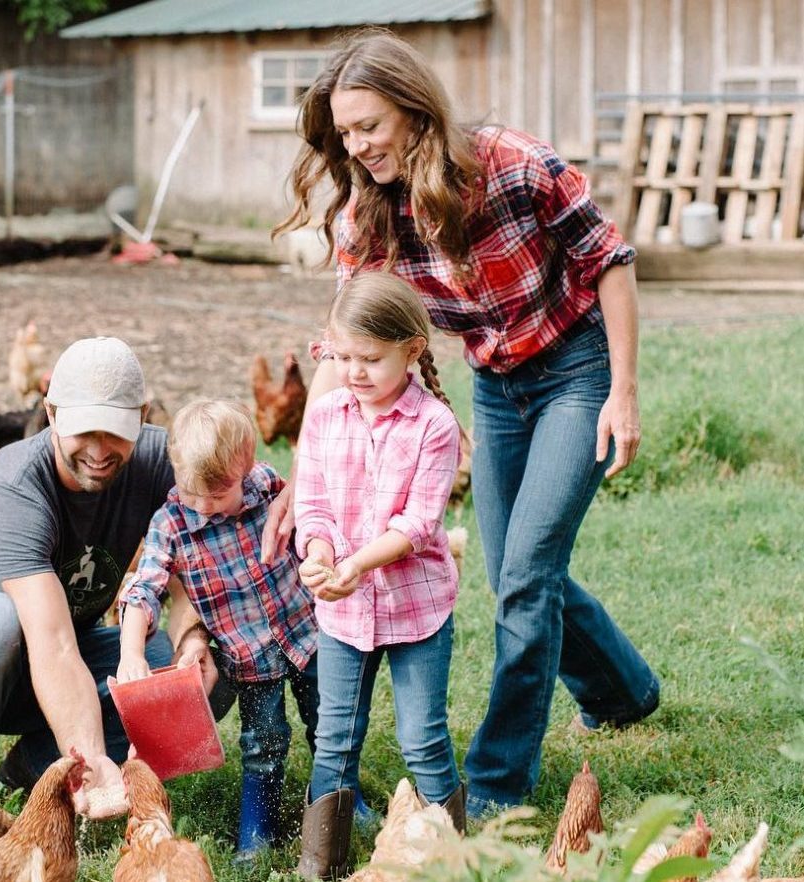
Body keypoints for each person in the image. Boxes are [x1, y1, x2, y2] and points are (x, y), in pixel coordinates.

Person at [267, 28, 660, 823]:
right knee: (515, 570)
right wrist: (304, 472)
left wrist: (622, 390)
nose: (356, 145)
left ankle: (497, 782)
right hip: (496, 385)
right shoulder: (366, 215)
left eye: (368, 126)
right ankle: (624, 690)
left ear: (413, 110)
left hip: (575, 370)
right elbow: (347, 336)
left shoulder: (511, 164)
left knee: (523, 575)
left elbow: (608, 261)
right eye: (344, 133)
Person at [0, 336, 215, 804]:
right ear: (52, 413)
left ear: (143, 418)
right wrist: (91, 758)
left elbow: (202, 559)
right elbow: (54, 644)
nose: (100, 450)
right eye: (85, 430)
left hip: (54, 657)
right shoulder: (12, 488)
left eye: (116, 432)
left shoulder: (156, 459)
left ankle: (38, 762)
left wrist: (193, 638)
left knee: (191, 667)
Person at [293, 272, 464, 878]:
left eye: (370, 359)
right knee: (335, 738)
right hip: (341, 610)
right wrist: (317, 554)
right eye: (341, 358)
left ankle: (451, 859)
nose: (353, 373)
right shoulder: (325, 416)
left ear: (412, 350)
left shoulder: (434, 427)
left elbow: (418, 523)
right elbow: (311, 503)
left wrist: (353, 565)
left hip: (416, 610)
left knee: (422, 740)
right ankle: (321, 865)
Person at [116, 398, 320, 858]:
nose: (205, 506)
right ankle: (259, 829)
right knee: (263, 743)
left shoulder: (267, 486)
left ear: (246, 468)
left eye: (219, 493)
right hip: (250, 660)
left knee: (328, 726)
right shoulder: (170, 525)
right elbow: (142, 591)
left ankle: (339, 798)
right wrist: (132, 652)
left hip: (308, 636)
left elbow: (309, 521)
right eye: (193, 493)